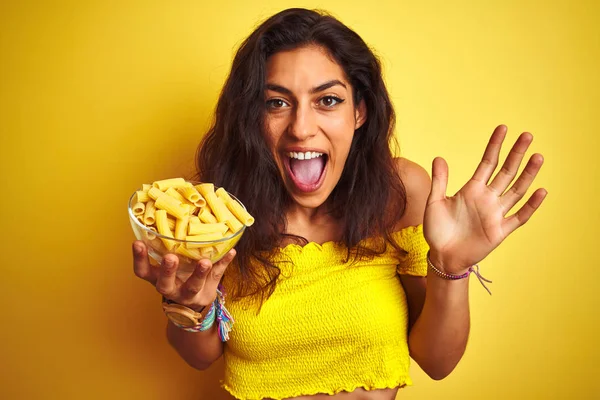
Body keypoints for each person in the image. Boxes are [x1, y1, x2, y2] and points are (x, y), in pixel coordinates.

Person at [132, 8, 547, 400]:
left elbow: (437, 362)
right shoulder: (213, 213)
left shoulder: (398, 192)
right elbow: (199, 356)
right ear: (251, 117)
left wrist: (451, 268)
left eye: (327, 100)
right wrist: (189, 305)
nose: (301, 127)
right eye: (276, 102)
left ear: (359, 111)